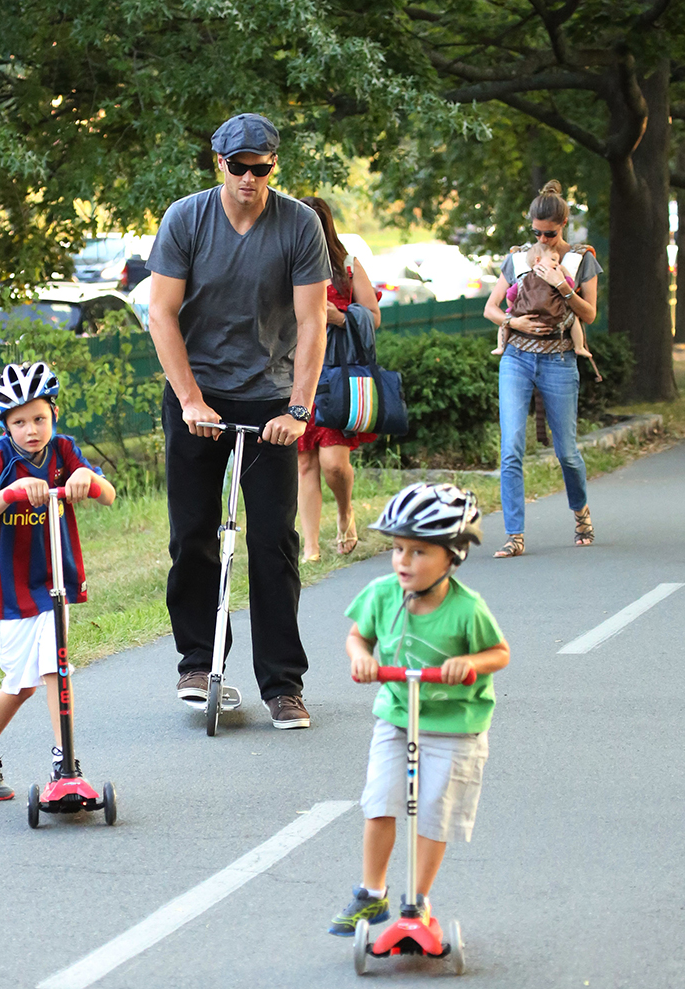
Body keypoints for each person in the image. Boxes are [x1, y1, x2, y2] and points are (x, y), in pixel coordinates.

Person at [147, 112, 330, 730]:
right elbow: (161, 314)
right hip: (197, 395)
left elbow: (312, 321)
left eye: (262, 168)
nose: (250, 178)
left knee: (273, 542)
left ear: (273, 165)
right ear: (219, 163)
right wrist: (191, 400)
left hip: (269, 401)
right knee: (193, 536)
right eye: (239, 167)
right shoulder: (186, 219)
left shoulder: (299, 225)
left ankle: (283, 684)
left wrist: (298, 408)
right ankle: (200, 664)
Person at [328, 482, 510, 935]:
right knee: (380, 800)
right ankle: (372, 894)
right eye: (398, 549)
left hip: (456, 727)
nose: (403, 561)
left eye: (419, 552)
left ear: (453, 555)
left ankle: (417, 901)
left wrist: (469, 663)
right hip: (397, 716)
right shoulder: (382, 594)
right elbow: (357, 636)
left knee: (433, 811)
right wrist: (361, 657)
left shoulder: (467, 609)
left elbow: (499, 653)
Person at [0, 361, 116, 800]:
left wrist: (86, 477)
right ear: (6, 426)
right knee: (21, 685)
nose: (31, 430)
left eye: (39, 419)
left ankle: (65, 762)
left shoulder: (64, 450)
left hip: (53, 583)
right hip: (8, 590)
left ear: (53, 414)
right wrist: (10, 493)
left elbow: (108, 494)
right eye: (19, 423)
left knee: (54, 668)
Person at [484, 180, 602, 558]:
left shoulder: (581, 260)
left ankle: (581, 513)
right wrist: (512, 322)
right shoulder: (518, 258)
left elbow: (590, 314)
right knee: (511, 448)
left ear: (563, 225)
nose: (542, 239)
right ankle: (514, 535)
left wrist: (562, 286)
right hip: (517, 357)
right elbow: (491, 308)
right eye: (536, 232)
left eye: (548, 233)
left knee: (567, 452)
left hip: (559, 358)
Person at [296, 197, 382, 562]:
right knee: (304, 462)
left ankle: (345, 511)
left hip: (337, 375)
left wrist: (340, 317)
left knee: (333, 462)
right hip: (297, 374)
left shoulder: (346, 265)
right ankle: (311, 547)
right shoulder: (285, 263)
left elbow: (373, 316)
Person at [491, 240, 591, 362]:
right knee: (573, 319)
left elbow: (511, 295)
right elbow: (570, 285)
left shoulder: (525, 278)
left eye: (558, 261)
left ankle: (500, 346)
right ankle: (579, 346)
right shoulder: (548, 278)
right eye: (553, 260)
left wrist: (512, 308)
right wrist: (564, 273)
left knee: (505, 323)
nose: (557, 264)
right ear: (537, 260)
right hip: (550, 314)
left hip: (532, 314)